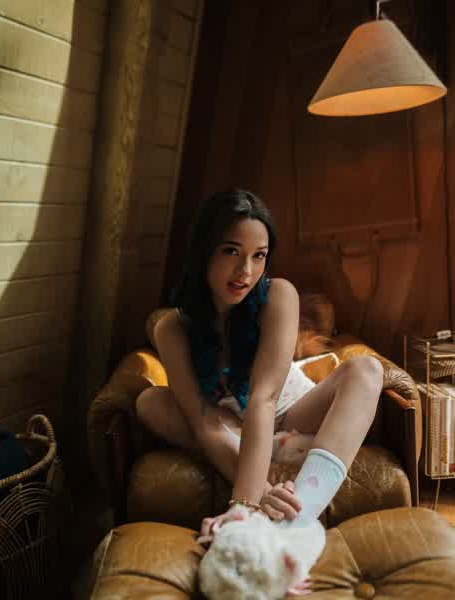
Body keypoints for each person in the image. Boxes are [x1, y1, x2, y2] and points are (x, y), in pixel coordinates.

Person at [136, 189, 383, 537]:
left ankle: (298, 518)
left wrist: (244, 504)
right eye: (231, 251)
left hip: (294, 411)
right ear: (204, 250)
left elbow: (263, 399)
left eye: (259, 255)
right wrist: (259, 496)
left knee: (367, 369)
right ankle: (275, 465)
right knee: (149, 402)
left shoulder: (278, 295)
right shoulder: (171, 329)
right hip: (229, 429)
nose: (245, 271)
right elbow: (204, 424)